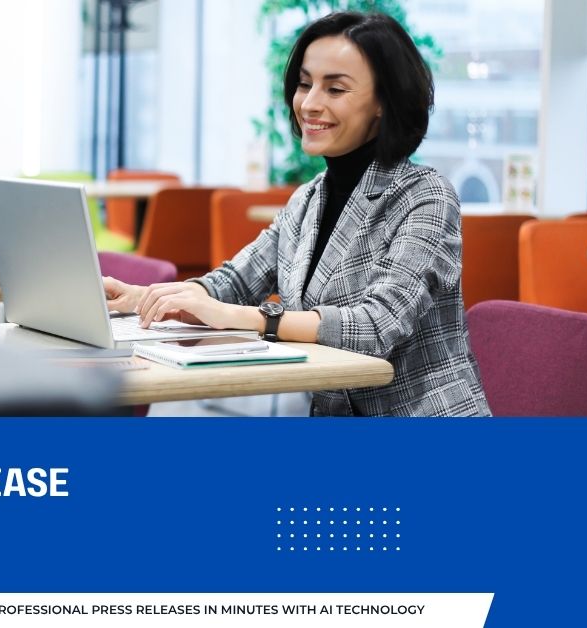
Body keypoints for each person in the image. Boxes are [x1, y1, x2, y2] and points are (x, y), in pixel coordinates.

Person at [103, 11, 490, 416]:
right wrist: (147, 298)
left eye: (335, 89)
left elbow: (376, 326)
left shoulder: (425, 195)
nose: (310, 103)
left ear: (383, 102)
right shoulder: (307, 200)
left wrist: (249, 319)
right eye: (305, 84)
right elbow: (234, 282)